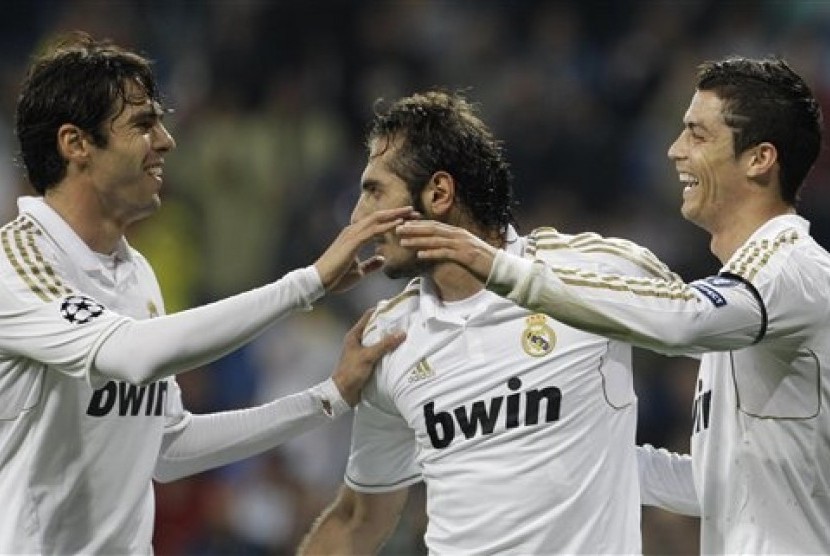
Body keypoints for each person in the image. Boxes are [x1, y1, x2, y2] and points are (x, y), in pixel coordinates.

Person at [0, 32, 414, 554]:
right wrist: (305, 285)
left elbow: (169, 446)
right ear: (75, 143)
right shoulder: (16, 268)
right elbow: (127, 355)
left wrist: (326, 398)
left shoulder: (135, 273)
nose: (167, 141)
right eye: (143, 124)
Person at [396, 57, 830, 553]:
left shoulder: (790, 269)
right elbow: (729, 485)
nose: (675, 150)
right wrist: (570, 446)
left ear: (760, 159)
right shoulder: (749, 300)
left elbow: (683, 318)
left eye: (697, 135)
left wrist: (499, 268)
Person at [298, 90, 680, 555]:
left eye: (374, 191)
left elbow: (725, 335)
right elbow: (357, 521)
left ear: (438, 194)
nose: (357, 217)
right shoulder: (386, 339)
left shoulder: (596, 272)